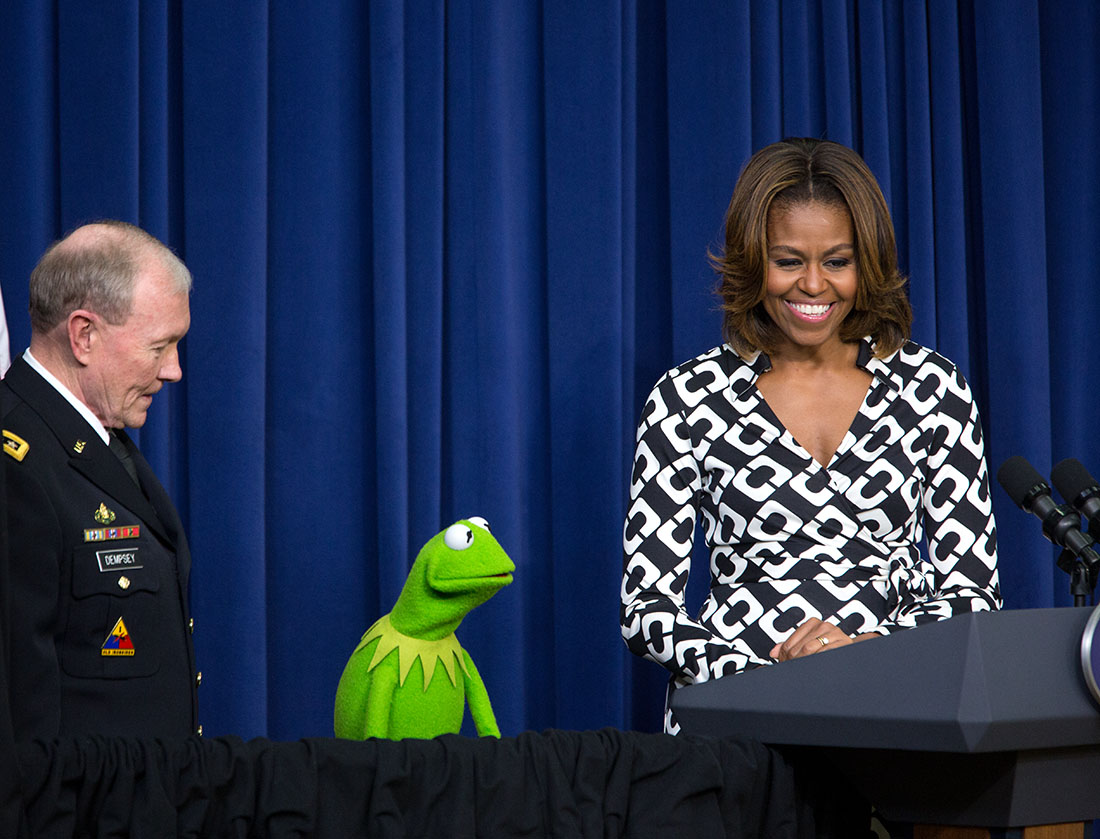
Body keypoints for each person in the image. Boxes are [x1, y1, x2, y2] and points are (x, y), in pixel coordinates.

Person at [620, 138, 1002, 733]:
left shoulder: (932, 388)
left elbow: (975, 594)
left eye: (838, 262)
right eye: (789, 260)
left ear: (865, 265)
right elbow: (646, 611)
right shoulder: (688, 397)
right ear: (754, 262)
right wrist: (758, 676)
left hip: (892, 708)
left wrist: (869, 648)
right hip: (737, 717)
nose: (813, 285)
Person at [1, 220, 200, 739]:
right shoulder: (15, 465)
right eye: (159, 347)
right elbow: (22, 723)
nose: (174, 369)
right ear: (83, 335)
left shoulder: (96, 437)